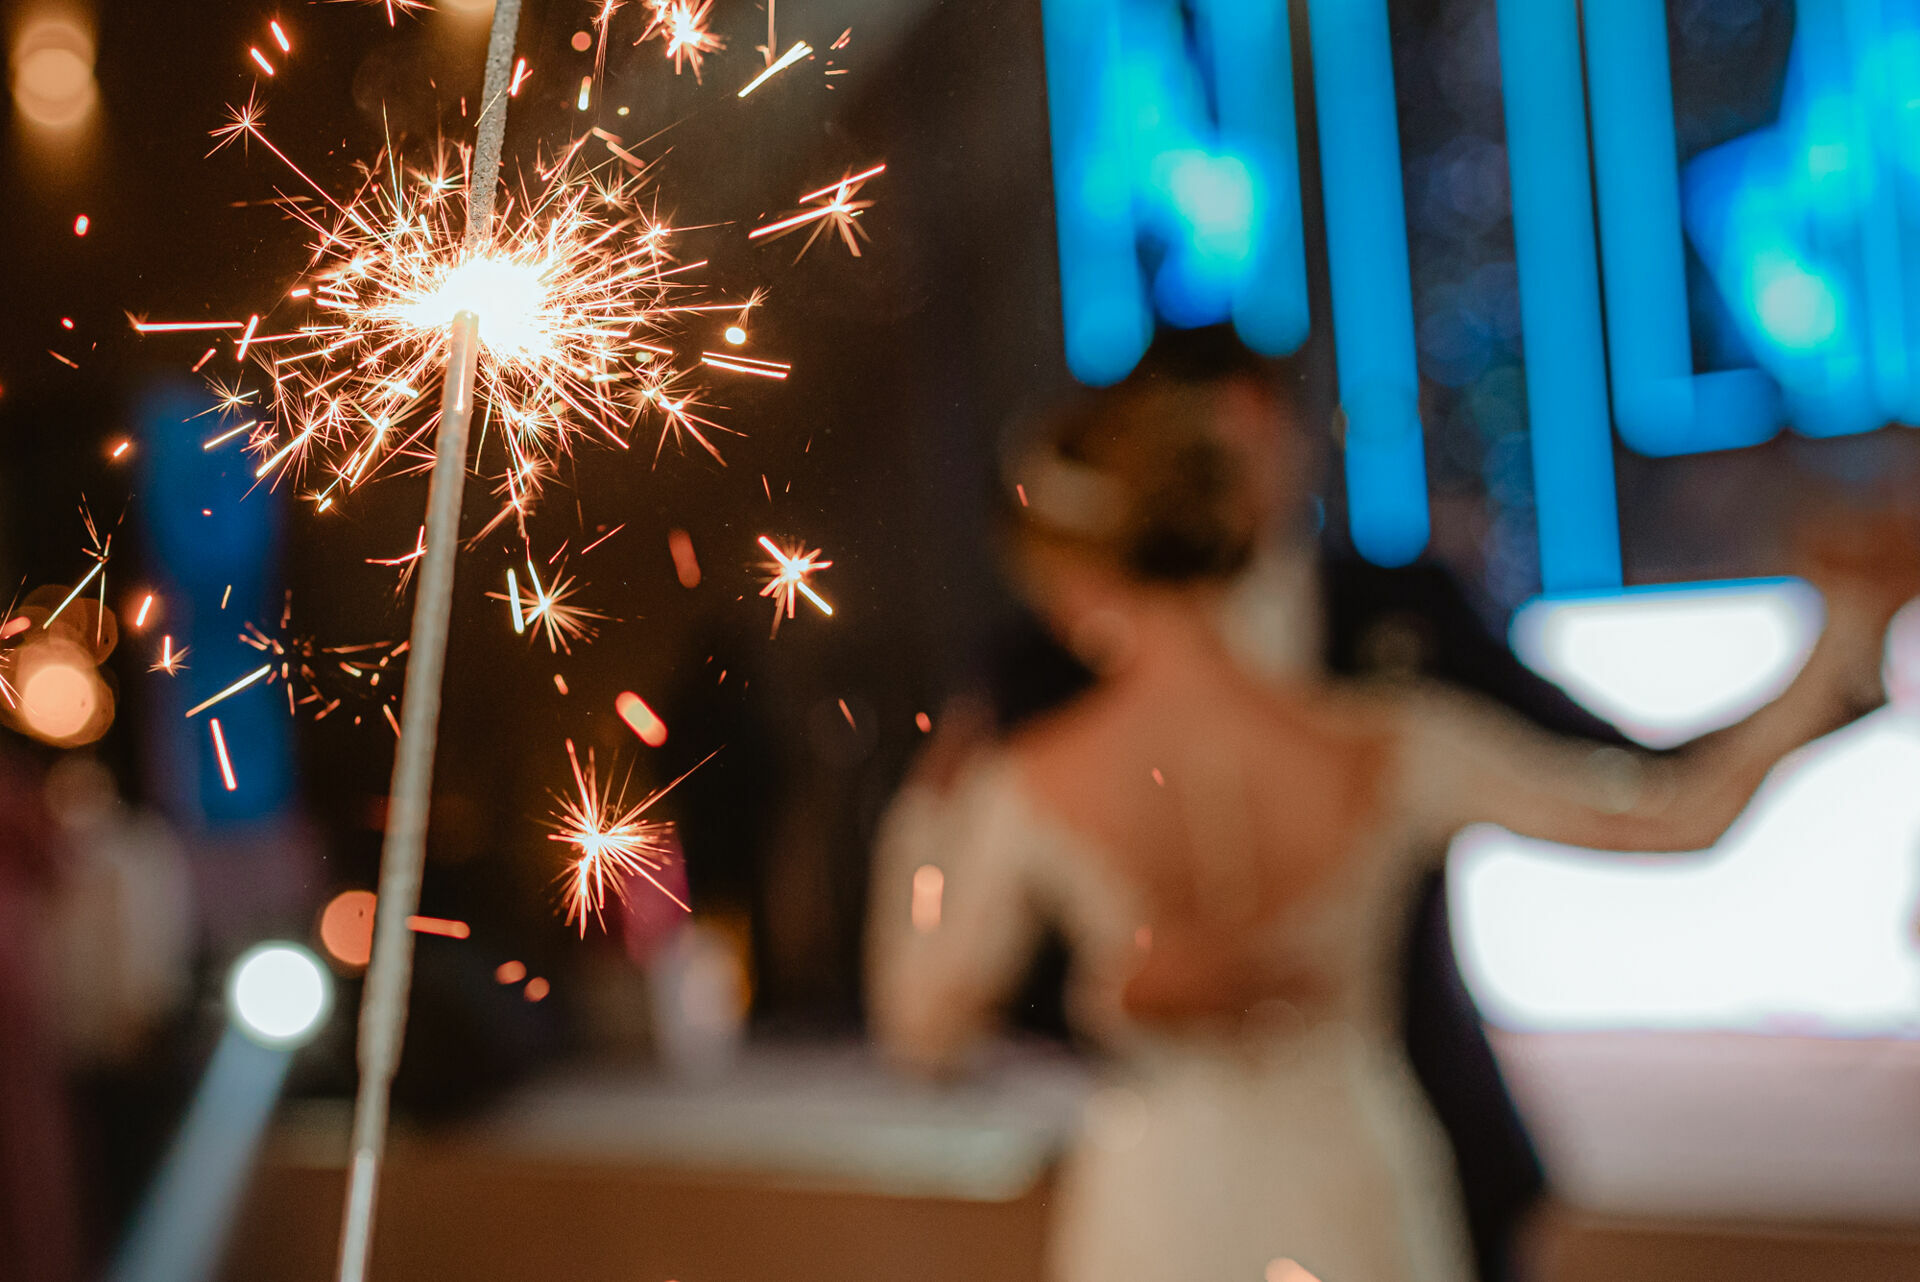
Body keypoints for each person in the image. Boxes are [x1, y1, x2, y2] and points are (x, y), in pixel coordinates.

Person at [866, 346, 1918, 1282]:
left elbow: (922, 1029)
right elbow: (1675, 813)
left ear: (1078, 573)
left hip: (1161, 1192)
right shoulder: (1393, 743)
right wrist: (1848, 628)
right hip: (1354, 1174)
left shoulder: (1030, 774)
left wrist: (1097, 982)